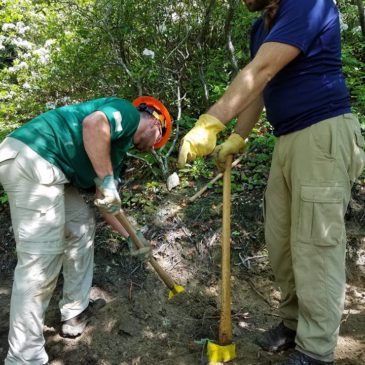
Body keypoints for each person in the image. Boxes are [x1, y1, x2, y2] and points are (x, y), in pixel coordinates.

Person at [178, 0, 365, 364]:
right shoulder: (260, 28)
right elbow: (259, 86)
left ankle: (316, 350)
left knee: (316, 245)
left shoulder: (308, 4)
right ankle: (295, 324)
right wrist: (239, 136)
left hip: (323, 133)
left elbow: (262, 70)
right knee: (281, 242)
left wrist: (212, 121)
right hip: (287, 139)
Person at [0, 95, 172, 364]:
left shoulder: (115, 151)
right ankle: (24, 357)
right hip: (34, 157)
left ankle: (74, 311)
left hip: (53, 170)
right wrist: (106, 181)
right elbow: (94, 124)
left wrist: (132, 238)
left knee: (81, 228)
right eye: (158, 141)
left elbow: (107, 205)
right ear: (155, 122)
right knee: (41, 261)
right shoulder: (126, 113)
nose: (152, 149)